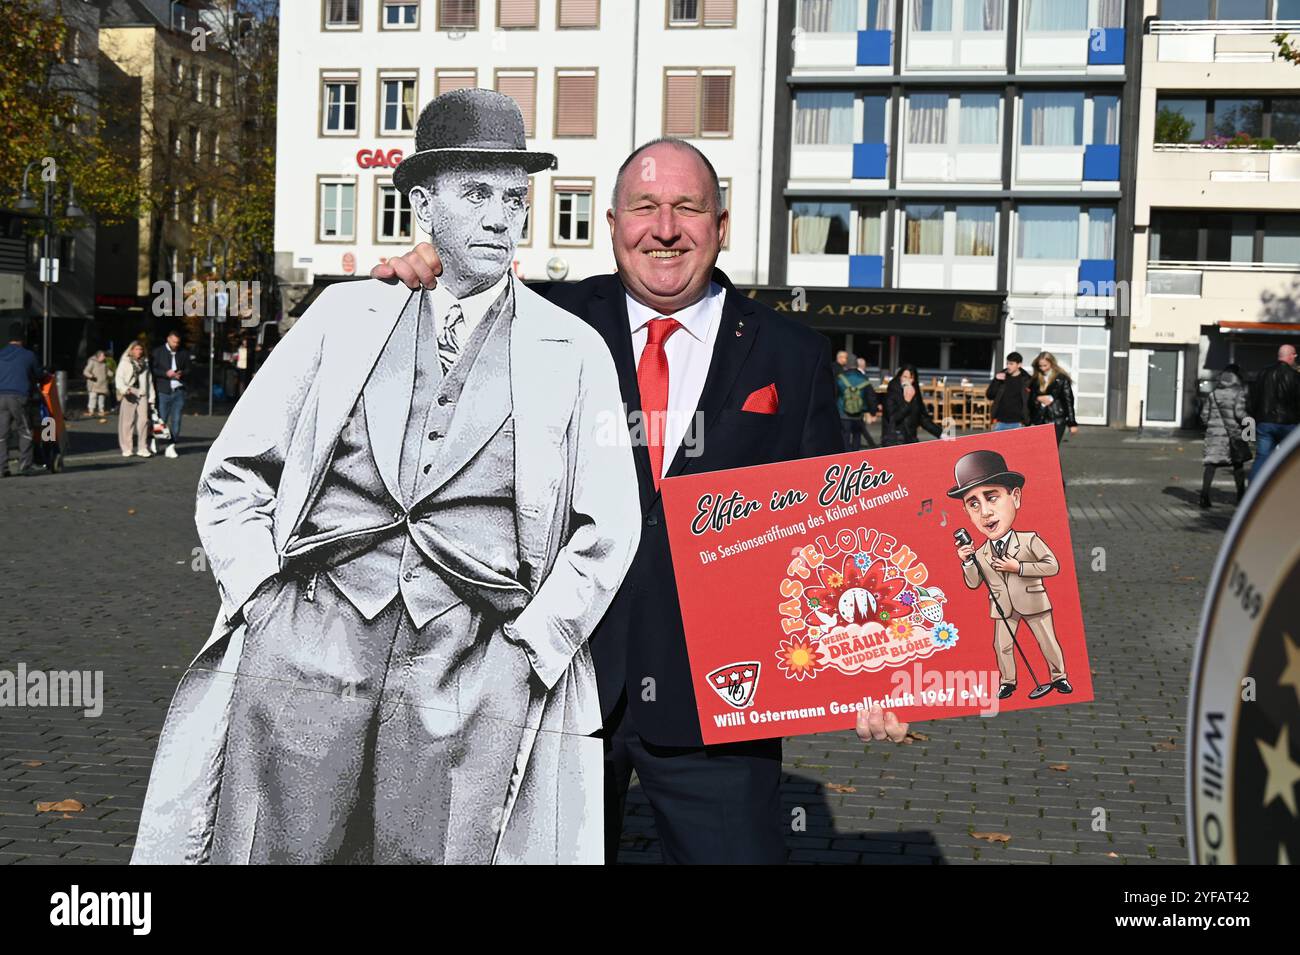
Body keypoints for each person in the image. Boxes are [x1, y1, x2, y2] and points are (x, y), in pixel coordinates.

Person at [133, 89, 641, 865]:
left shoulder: (571, 349)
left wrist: (529, 651)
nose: (502, 218)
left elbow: (609, 525)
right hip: (308, 644)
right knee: (277, 850)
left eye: (515, 197)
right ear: (422, 204)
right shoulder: (345, 317)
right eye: (476, 194)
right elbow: (235, 470)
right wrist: (264, 598)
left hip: (470, 661)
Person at [374, 135, 912, 864]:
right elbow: (420, 353)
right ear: (612, 223)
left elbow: (837, 521)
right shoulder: (537, 321)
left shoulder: (792, 353)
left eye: (688, 208)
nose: (664, 228)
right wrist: (419, 278)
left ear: (721, 227)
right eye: (644, 208)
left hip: (721, 697)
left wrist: (877, 669)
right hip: (548, 684)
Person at [950, 449, 1071, 701]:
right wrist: (967, 561)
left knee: (1047, 640)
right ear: (967, 513)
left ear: (1015, 497)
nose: (985, 512)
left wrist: (1020, 568)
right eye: (974, 504)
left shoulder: (1029, 540)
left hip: (1033, 601)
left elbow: (1053, 566)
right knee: (1002, 646)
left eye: (992, 498)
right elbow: (973, 584)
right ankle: (1008, 682)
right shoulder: (981, 552)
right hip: (1003, 607)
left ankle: (1059, 677)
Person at [1247, 343, 1300, 481]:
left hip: (1265, 422)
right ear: (1290, 356)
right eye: (1294, 355)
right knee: (1289, 460)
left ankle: (1253, 491)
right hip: (1288, 423)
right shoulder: (1294, 376)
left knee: (1262, 457)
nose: (1295, 358)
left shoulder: (1264, 373)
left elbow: (1253, 396)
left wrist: (1255, 417)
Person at [1199, 364, 1249, 508]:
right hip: (1232, 435)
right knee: (1238, 465)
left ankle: (1204, 497)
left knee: (1211, 465)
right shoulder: (1238, 393)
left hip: (1214, 434)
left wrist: (1211, 425)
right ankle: (1241, 497)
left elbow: (1204, 416)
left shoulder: (1213, 394)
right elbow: (1240, 414)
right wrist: (1249, 421)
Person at [0, 322, 42, 477]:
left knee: (1, 434)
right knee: (25, 430)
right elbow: (38, 374)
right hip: (18, 397)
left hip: (0, 397)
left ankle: (1, 468)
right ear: (22, 338)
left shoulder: (1, 353)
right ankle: (25, 465)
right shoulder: (28, 355)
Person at [151, 331, 191, 458]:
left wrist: (182, 373)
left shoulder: (183, 353)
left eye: (177, 342)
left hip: (179, 391)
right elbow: (153, 369)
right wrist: (165, 374)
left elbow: (189, 369)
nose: (175, 344)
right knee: (161, 419)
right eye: (173, 341)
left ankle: (171, 445)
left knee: (177, 420)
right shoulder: (158, 352)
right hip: (163, 391)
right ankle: (156, 440)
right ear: (168, 339)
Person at [882, 364, 943, 446]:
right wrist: (907, 402)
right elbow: (893, 418)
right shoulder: (892, 392)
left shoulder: (915, 392)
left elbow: (922, 418)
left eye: (910, 378)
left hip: (911, 439)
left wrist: (941, 433)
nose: (907, 380)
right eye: (905, 377)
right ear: (900, 377)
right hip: (895, 440)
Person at [115, 342, 154, 457]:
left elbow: (149, 380)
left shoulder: (145, 363)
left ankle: (142, 447)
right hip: (129, 392)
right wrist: (124, 389)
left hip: (142, 392)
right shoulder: (125, 362)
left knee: (144, 421)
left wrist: (152, 396)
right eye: (136, 349)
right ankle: (127, 448)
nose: (139, 352)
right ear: (131, 350)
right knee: (127, 422)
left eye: (141, 349)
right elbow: (119, 378)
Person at [1029, 351, 1078, 444]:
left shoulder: (1061, 378)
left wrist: (1072, 423)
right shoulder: (1036, 378)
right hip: (1039, 418)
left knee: (1052, 449)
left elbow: (1068, 401)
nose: (1043, 368)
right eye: (1040, 366)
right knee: (1039, 449)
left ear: (1051, 363)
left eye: (1045, 365)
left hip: (1056, 419)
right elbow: (1030, 398)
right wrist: (1038, 398)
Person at [836, 353, 879, 450]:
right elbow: (871, 397)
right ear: (857, 364)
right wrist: (873, 412)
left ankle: (844, 458)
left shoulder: (840, 378)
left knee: (844, 436)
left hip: (843, 414)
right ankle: (855, 457)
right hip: (858, 414)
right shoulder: (864, 379)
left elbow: (834, 395)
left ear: (847, 364)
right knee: (857, 436)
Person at [986, 351, 1032, 431]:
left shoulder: (1027, 380)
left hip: (1019, 422)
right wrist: (996, 381)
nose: (1008, 366)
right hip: (1000, 422)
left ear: (1019, 365)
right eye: (1007, 363)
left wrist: (1028, 421)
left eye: (1011, 364)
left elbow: (1031, 402)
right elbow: (989, 395)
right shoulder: (1001, 377)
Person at [83, 350, 111, 417]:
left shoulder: (104, 363)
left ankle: (101, 410)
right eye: (103, 356)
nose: (104, 357)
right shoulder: (92, 362)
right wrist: (91, 376)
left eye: (104, 356)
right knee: (93, 397)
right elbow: (85, 371)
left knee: (102, 398)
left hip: (103, 384)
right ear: (99, 356)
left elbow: (107, 371)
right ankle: (91, 410)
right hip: (94, 384)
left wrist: (111, 374)